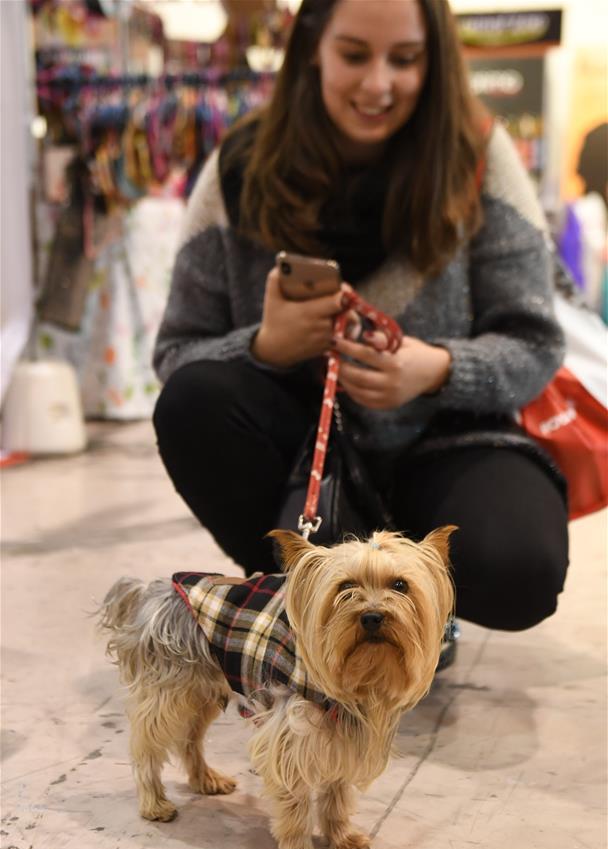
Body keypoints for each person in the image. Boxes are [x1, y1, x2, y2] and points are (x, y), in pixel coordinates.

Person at [153, 0, 569, 634]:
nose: (379, 84)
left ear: (435, 61)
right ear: (313, 48)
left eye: (404, 59)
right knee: (195, 401)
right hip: (299, 456)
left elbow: (535, 344)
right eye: (354, 55)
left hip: (447, 443)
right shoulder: (238, 168)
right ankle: (316, 608)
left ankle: (416, 616)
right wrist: (266, 347)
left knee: (520, 567)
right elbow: (177, 353)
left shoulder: (476, 157)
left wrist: (439, 369)